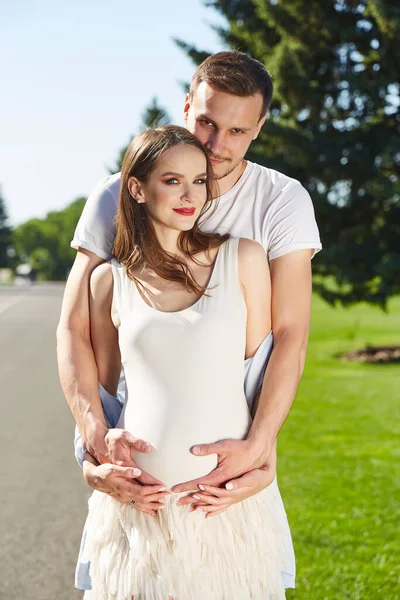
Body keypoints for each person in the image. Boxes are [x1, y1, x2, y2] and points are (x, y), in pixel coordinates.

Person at [57, 51, 321, 530]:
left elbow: (288, 337)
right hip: (135, 473)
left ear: (259, 127)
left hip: (224, 476)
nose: (217, 145)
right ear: (186, 107)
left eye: (238, 131)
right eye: (206, 122)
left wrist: (262, 445)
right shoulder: (115, 195)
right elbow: (75, 327)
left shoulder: (281, 202)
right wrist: (92, 441)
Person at [81, 123, 294, 599]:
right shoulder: (107, 282)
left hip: (222, 508)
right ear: (137, 188)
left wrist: (264, 460)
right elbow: (100, 393)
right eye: (172, 180)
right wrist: (92, 462)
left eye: (199, 181)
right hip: (139, 516)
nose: (189, 195)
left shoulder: (244, 258)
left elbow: (257, 377)